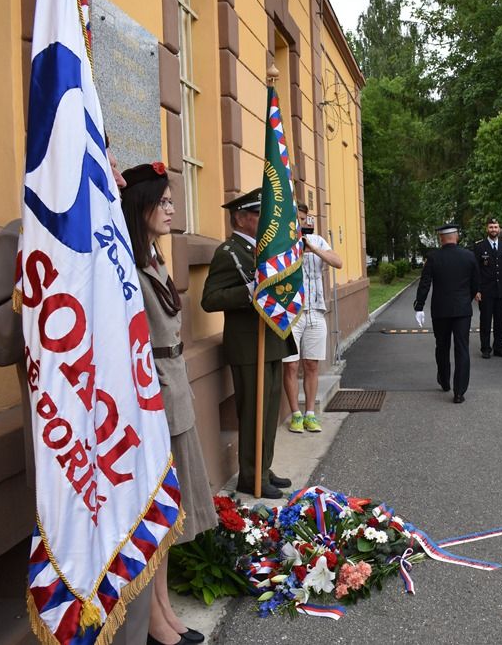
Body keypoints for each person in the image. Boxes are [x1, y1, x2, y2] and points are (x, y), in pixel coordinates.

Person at [0, 147, 156, 645]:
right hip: (67, 454)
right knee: (77, 593)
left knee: (129, 583)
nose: (115, 177)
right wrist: (38, 281)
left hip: (126, 443)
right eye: (103, 164)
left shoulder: (116, 238)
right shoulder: (22, 234)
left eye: (112, 167)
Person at [120, 162, 217, 645]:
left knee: (171, 509)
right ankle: (156, 621)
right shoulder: (128, 264)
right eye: (163, 202)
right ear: (140, 206)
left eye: (172, 201)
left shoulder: (153, 257)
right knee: (157, 510)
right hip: (153, 395)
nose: (171, 209)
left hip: (174, 388)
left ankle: (164, 610)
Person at [201, 189, 297, 500]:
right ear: (241, 218)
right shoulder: (228, 251)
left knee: (269, 412)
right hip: (247, 346)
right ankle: (250, 476)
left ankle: (263, 468)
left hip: (270, 340)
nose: (265, 219)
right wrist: (249, 292)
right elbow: (210, 299)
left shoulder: (261, 249)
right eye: (258, 214)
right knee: (254, 412)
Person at [282, 202, 343, 434]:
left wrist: (312, 249)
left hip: (315, 311)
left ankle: (310, 413)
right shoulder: (283, 243)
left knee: (311, 365)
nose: (300, 222)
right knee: (291, 366)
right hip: (291, 314)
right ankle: (295, 414)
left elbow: (337, 262)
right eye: (296, 218)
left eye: (303, 218)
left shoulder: (317, 240)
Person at [414, 223, 479, 404]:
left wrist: (419, 306)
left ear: (441, 238)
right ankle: (459, 391)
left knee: (442, 346)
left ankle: (444, 380)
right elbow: (476, 283)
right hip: (462, 310)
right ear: (456, 237)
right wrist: (469, 298)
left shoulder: (433, 258)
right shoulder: (469, 256)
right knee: (462, 348)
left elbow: (425, 283)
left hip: (440, 310)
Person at [473, 217, 502, 358]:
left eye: (496, 227)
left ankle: (498, 347)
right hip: (486, 291)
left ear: (499, 228)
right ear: (487, 229)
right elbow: (476, 270)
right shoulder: (479, 246)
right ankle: (485, 348)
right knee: (485, 321)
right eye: (491, 227)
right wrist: (477, 290)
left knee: (500, 320)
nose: (493, 230)